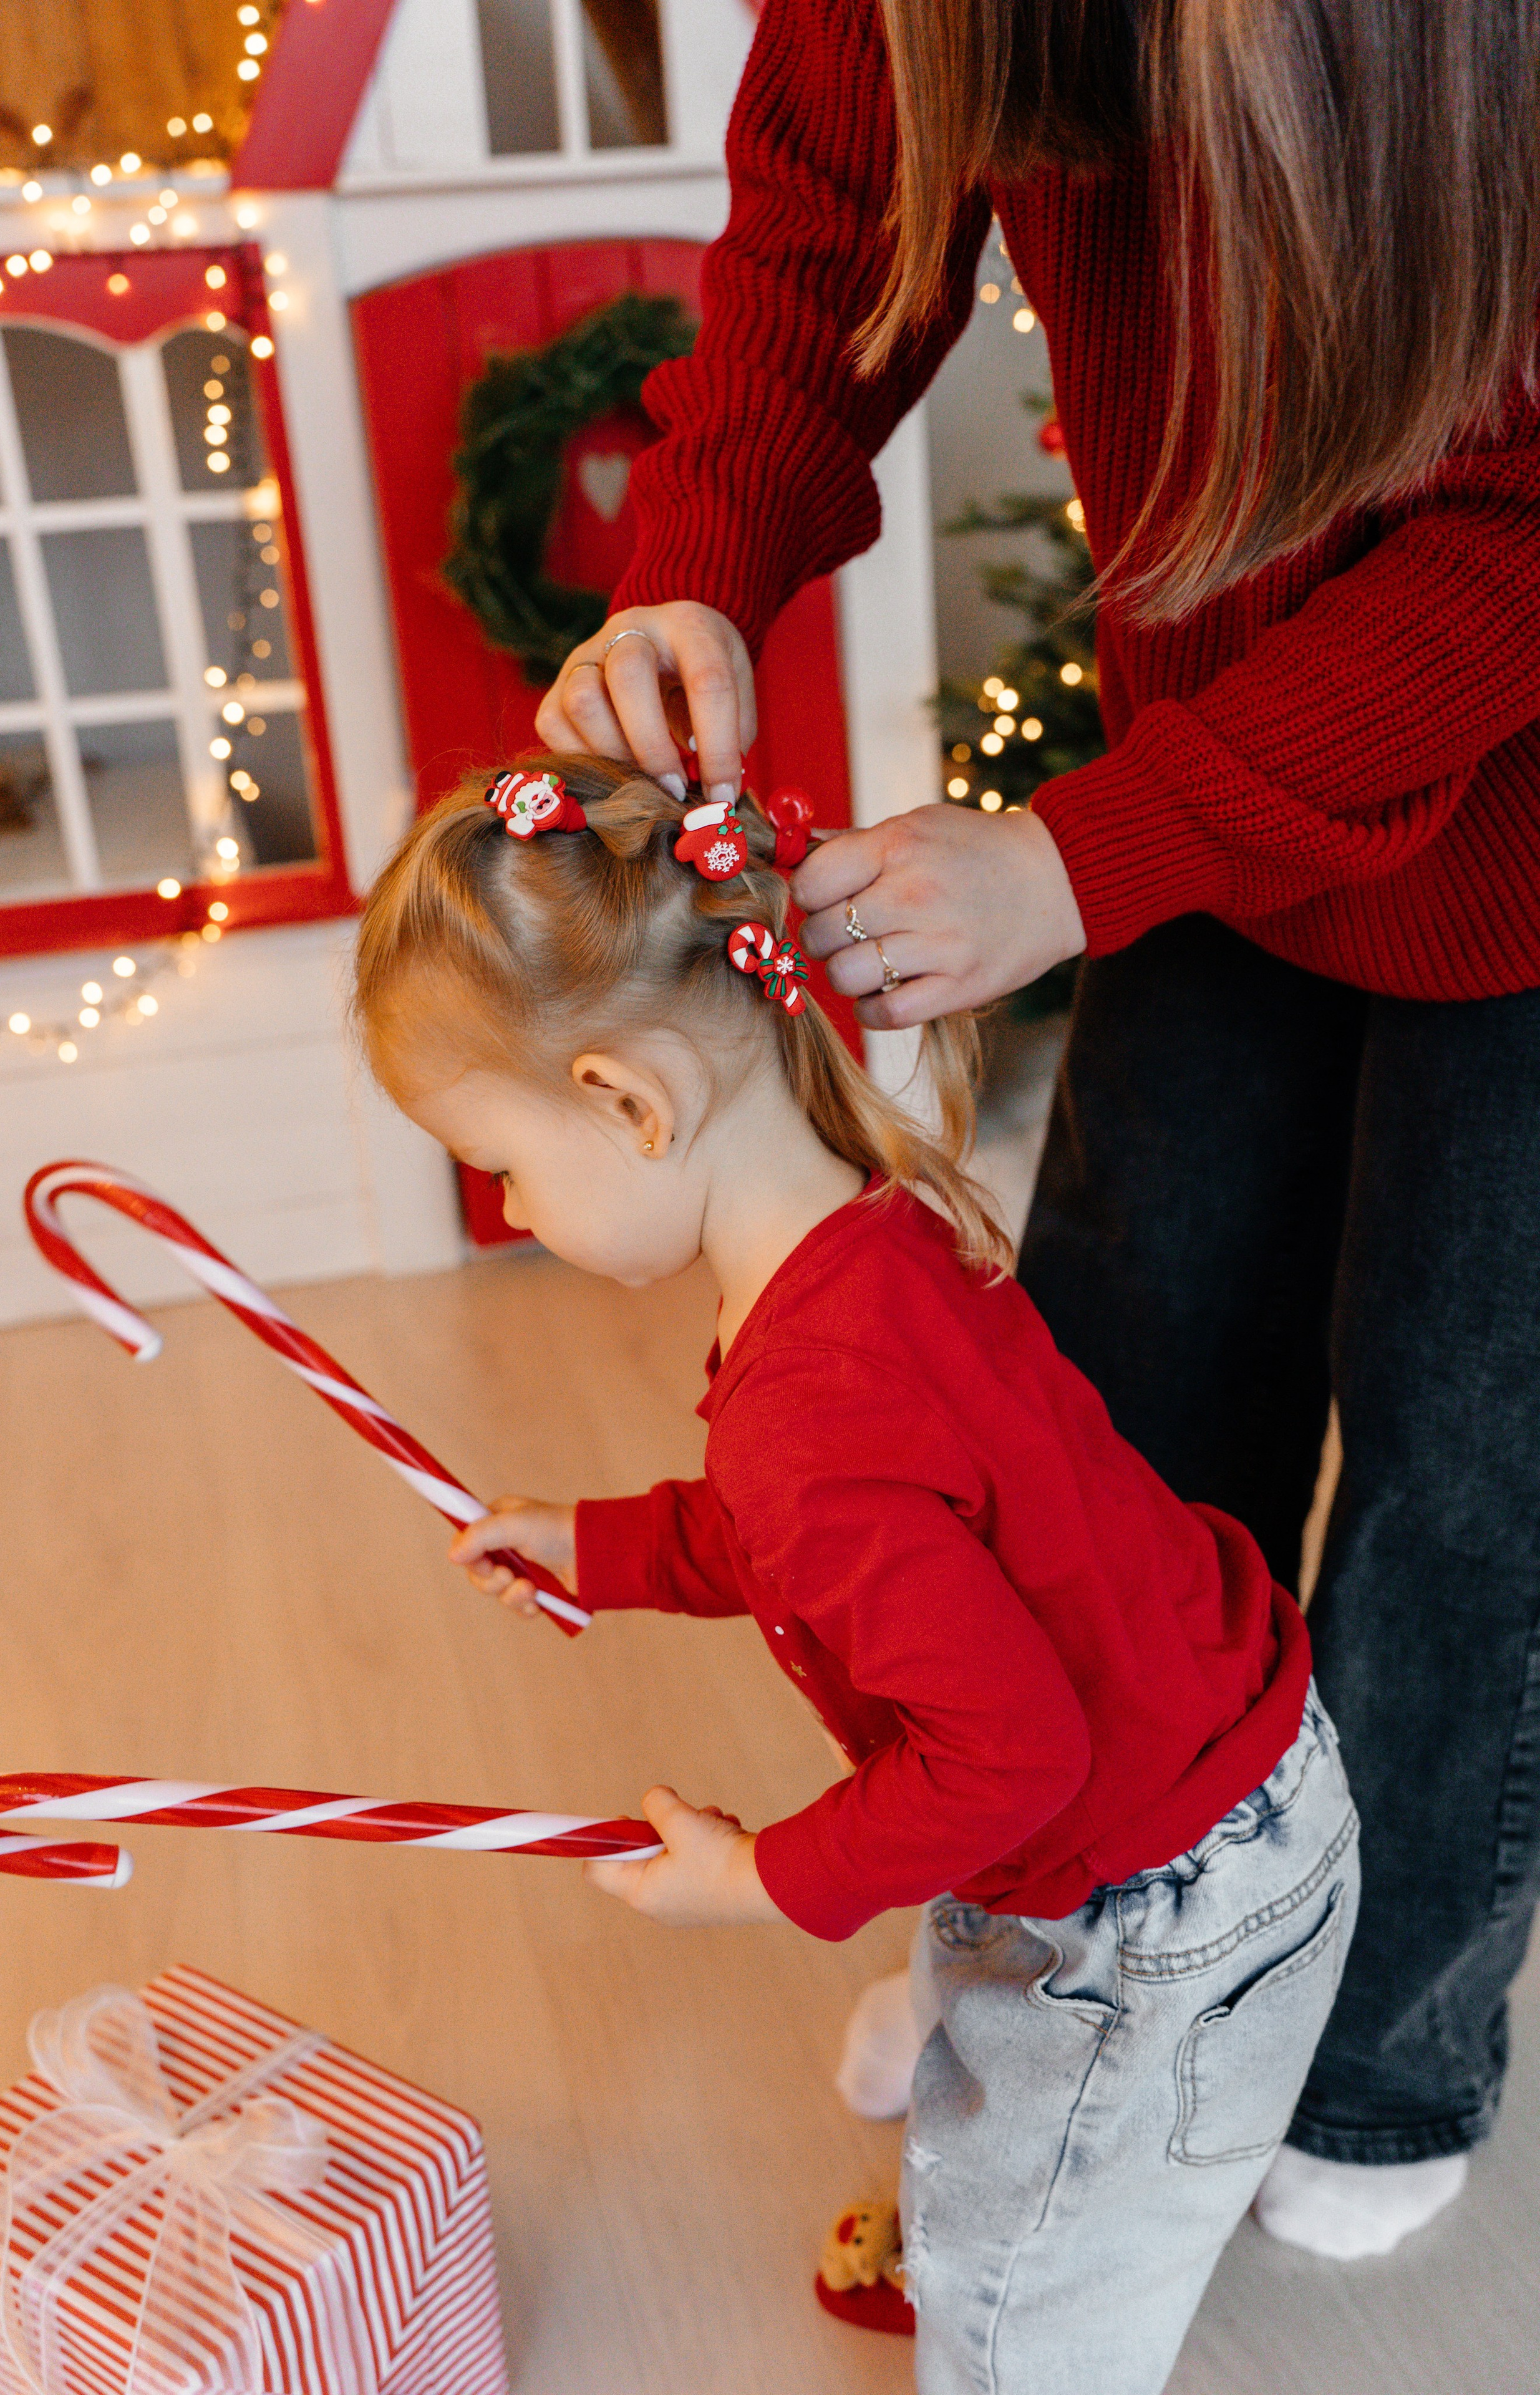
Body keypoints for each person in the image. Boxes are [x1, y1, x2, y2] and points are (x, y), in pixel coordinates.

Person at [533, 0, 1540, 2266]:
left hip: (1509, 819)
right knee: (1113, 1381)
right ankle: (1062, 1948)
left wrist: (1089, 856)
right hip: (1208, 779)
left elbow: (1519, 534)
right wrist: (700, 550)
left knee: (1469, 1491)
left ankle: (1383, 2056)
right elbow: (828, 223)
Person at [354, 757, 1358, 2395]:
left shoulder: (808, 1417)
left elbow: (1012, 1755)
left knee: (1035, 2303)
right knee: (989, 2024)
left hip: (1147, 1901)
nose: (518, 1210)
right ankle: (986, 2174)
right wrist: (599, 1544)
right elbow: (845, 1536)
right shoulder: (859, 1241)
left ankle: (1000, 2280)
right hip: (1219, 1753)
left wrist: (756, 1877)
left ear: (626, 1101)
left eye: (504, 1167)